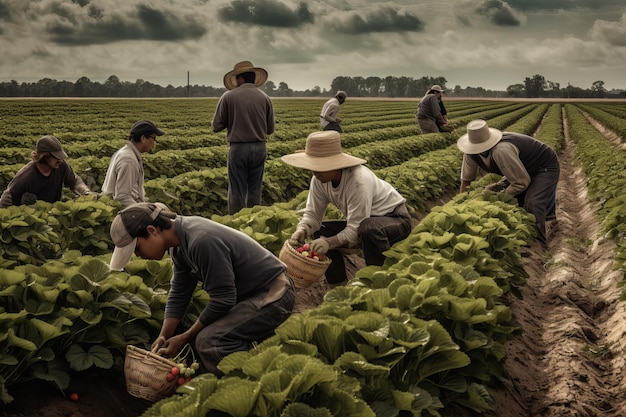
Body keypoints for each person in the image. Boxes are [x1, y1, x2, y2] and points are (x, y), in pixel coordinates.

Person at [108, 201, 295, 376]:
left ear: (152, 230)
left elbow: (224, 299)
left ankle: (246, 385)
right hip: (252, 296)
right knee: (202, 335)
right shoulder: (179, 244)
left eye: (138, 249)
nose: (139, 255)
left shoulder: (201, 241)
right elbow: (180, 293)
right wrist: (164, 335)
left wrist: (184, 337)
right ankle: (254, 363)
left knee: (210, 341)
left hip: (274, 294)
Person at [281, 130, 412, 284]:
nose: (315, 171)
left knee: (369, 228)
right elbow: (313, 215)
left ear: (335, 163)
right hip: (365, 223)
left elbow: (356, 229)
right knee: (321, 230)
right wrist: (302, 229)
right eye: (312, 165)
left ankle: (379, 282)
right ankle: (339, 286)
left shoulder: (358, 181)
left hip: (395, 220)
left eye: (319, 166)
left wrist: (329, 242)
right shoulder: (318, 180)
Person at [457, 119, 560, 244]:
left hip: (543, 166)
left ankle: (538, 242)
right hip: (521, 168)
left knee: (533, 202)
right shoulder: (471, 153)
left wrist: (500, 197)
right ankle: (544, 221)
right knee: (510, 197)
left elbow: (521, 182)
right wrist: (461, 205)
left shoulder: (501, 151)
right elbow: (466, 181)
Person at [212, 60, 275, 215]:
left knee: (237, 190)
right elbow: (270, 129)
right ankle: (253, 222)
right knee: (255, 189)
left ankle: (236, 224)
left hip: (238, 148)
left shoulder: (228, 96)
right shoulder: (265, 97)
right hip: (260, 147)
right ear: (253, 78)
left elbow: (216, 126)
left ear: (240, 78)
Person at [0, 135, 92, 208]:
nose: (60, 160)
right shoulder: (27, 176)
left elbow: (75, 181)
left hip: (52, 214)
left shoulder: (61, 166)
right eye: (56, 157)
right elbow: (6, 199)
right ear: (45, 156)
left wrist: (86, 192)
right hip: (31, 217)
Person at [101, 120, 165, 208]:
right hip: (121, 210)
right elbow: (122, 197)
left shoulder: (125, 152)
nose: (154, 143)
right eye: (153, 138)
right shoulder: (129, 160)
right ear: (143, 139)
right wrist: (143, 211)